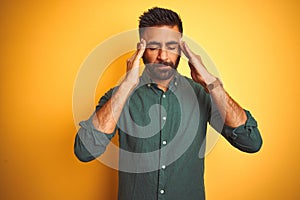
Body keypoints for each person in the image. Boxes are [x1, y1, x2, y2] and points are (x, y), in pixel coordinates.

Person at [74, 7, 262, 200]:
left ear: (181, 49)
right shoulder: (119, 97)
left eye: (171, 46)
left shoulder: (202, 94)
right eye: (154, 47)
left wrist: (210, 82)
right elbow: (85, 151)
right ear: (141, 48)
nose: (163, 56)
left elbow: (251, 141)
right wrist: (126, 86)